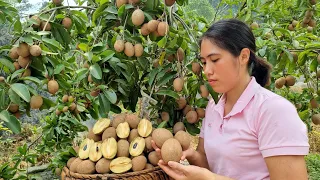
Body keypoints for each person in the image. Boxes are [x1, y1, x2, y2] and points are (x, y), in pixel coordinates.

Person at [151, 19, 310, 180]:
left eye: (214, 60)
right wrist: (191, 155)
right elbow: (209, 165)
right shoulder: (213, 106)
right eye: (204, 62)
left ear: (243, 56)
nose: (206, 70)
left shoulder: (274, 110)